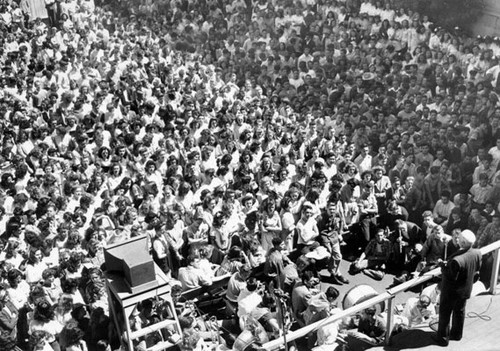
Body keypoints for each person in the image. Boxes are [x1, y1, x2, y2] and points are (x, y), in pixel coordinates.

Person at [434, 230, 482, 346]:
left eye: (459, 238)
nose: (457, 239)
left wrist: (442, 266)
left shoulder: (457, 260)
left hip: (451, 292)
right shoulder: (477, 253)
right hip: (465, 289)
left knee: (445, 314)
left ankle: (443, 339)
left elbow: (450, 276)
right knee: (459, 312)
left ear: (464, 242)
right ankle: (457, 334)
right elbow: (477, 268)